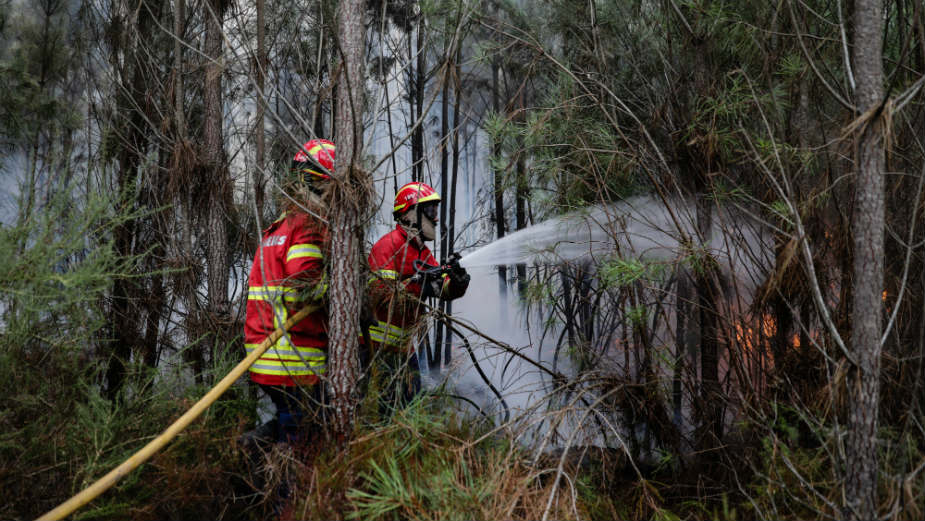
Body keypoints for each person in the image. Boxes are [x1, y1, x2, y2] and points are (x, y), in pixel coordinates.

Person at [243, 138, 336, 446]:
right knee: (302, 442)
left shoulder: (279, 227)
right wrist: (339, 286)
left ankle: (263, 442)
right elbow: (305, 287)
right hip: (293, 358)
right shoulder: (307, 224)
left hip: (265, 355)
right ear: (321, 182)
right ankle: (284, 486)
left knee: (291, 420)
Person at [366, 181, 470, 412]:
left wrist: (457, 283)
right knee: (386, 412)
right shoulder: (388, 246)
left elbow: (440, 288)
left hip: (403, 348)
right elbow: (379, 294)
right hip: (377, 350)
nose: (435, 218)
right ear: (411, 213)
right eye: (430, 211)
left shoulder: (421, 251)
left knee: (411, 407)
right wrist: (420, 286)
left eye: (435, 211)